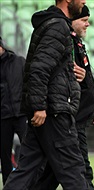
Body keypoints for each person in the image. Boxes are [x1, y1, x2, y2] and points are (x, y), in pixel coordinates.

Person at [3, 0, 89, 190]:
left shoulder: (54, 24)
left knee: (25, 171)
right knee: (73, 170)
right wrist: (39, 106)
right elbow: (39, 69)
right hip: (53, 112)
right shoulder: (57, 27)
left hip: (48, 111)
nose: (84, 1)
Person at [28, 5, 94, 190]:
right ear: (72, 21)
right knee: (77, 169)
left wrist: (92, 108)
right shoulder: (60, 30)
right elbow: (41, 69)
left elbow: (82, 80)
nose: (87, 24)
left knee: (34, 171)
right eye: (84, 20)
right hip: (62, 114)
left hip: (67, 113)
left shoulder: (76, 42)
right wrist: (39, 106)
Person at [0, 37, 27, 186]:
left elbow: (29, 84)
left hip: (21, 114)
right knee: (4, 156)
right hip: (3, 117)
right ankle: (8, 186)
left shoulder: (19, 62)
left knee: (30, 150)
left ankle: (33, 183)